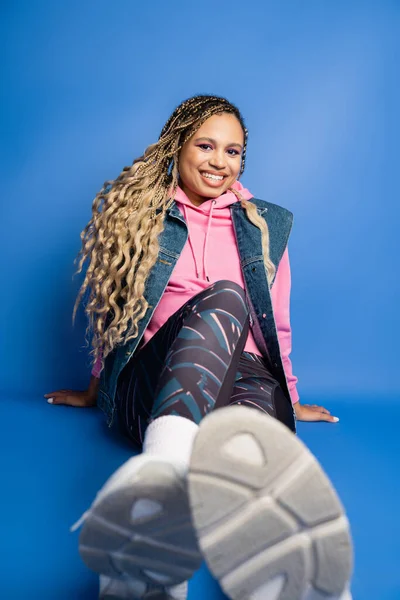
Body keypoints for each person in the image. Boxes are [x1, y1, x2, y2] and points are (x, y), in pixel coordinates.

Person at [45, 95, 353, 600]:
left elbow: (278, 321)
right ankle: (161, 482)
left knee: (254, 444)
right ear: (177, 146)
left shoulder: (265, 226)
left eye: (233, 152)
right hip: (156, 385)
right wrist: (95, 388)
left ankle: (274, 569)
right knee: (226, 297)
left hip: (243, 380)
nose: (219, 162)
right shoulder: (142, 215)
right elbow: (111, 308)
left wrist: (291, 398)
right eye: (206, 146)